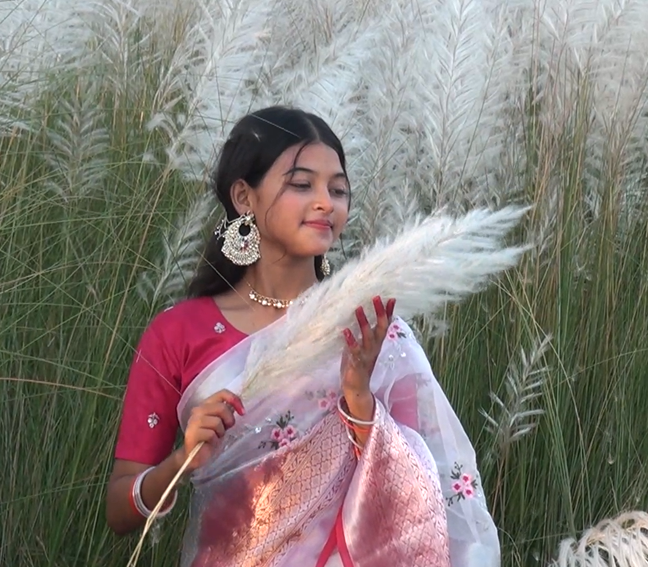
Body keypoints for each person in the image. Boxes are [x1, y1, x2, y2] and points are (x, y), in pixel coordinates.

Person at [105, 106, 500, 566]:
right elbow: (118, 512)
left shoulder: (370, 330)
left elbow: (432, 484)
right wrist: (181, 463)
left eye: (338, 190)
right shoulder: (177, 333)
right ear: (244, 197)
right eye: (302, 184)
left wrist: (360, 403)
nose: (326, 203)